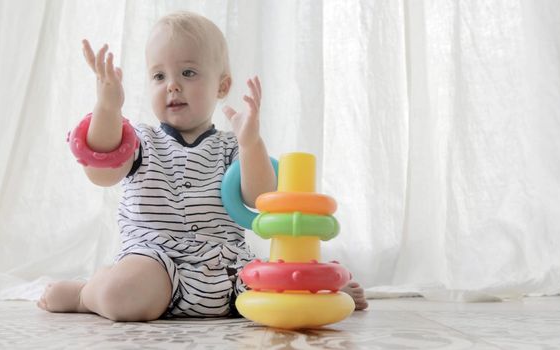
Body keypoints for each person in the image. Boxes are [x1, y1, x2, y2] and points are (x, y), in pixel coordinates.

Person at [38, 11, 367, 321]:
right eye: (158, 75)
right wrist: (107, 106)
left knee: (282, 290)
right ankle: (84, 294)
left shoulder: (229, 147)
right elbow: (102, 171)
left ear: (222, 87)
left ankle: (317, 290)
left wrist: (251, 143)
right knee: (122, 295)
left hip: (228, 268)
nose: (172, 85)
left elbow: (262, 198)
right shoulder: (140, 140)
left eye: (188, 72)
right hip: (155, 263)